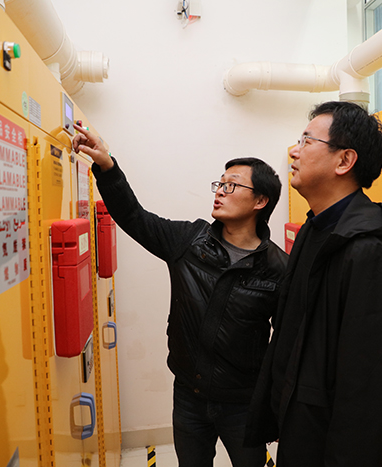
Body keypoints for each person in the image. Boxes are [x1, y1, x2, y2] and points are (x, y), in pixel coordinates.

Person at [72, 124, 288, 467]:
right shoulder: (189, 241)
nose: (220, 192)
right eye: (220, 184)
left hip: (243, 404)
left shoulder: (278, 268)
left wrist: (274, 404)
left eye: (231, 185)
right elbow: (134, 217)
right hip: (189, 396)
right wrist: (106, 165)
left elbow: (286, 342)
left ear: (260, 201)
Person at [245, 101, 382, 466]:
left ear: (344, 161)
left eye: (307, 141)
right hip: (304, 426)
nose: (294, 152)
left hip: (333, 445)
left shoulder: (370, 251)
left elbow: (369, 387)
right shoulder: (315, 229)